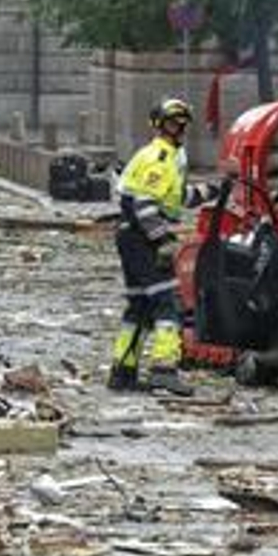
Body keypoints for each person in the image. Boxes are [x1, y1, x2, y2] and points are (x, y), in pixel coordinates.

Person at [109, 96, 209, 396]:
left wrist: (212, 191)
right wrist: (163, 241)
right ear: (158, 125)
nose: (178, 128)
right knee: (169, 304)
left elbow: (176, 199)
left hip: (132, 236)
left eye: (182, 124)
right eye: (172, 123)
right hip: (142, 238)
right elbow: (144, 204)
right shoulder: (160, 157)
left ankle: (123, 372)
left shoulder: (166, 156)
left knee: (138, 307)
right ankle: (164, 371)